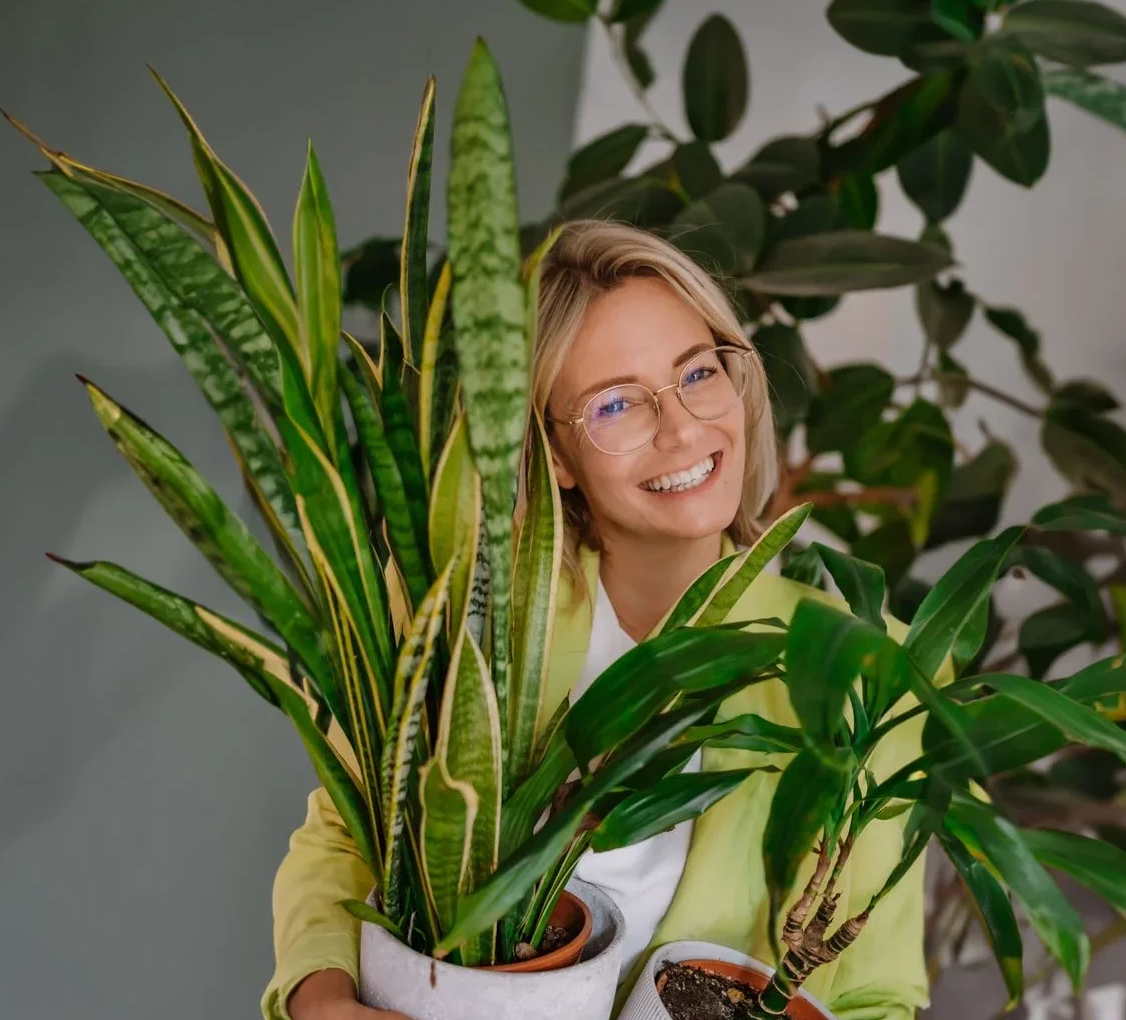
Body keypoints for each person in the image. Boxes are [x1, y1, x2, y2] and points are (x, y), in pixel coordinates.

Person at [265, 219, 933, 1020]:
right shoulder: (467, 620)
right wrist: (321, 1003)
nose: (684, 427)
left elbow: (877, 992)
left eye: (698, 374)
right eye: (616, 404)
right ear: (553, 457)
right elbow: (346, 840)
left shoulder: (866, 668)